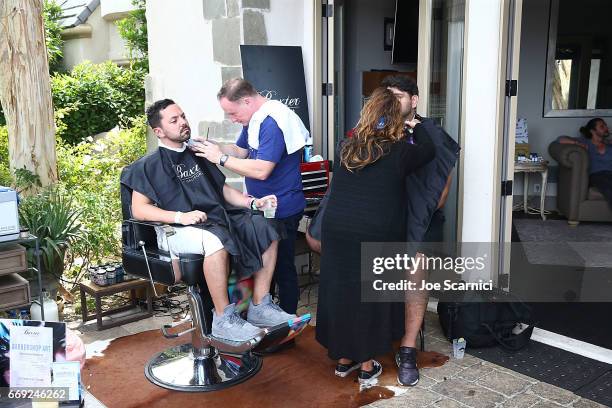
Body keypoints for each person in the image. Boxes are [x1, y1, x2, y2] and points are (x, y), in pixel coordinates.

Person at [120, 99, 296, 343]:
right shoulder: (147, 166)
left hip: (213, 219)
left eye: (182, 116)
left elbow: (221, 189)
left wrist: (253, 203)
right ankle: (223, 318)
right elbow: (139, 210)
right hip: (175, 229)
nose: (183, 122)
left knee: (267, 227)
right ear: (158, 131)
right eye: (174, 120)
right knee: (215, 240)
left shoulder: (199, 154)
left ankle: (260, 304)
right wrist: (181, 216)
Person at [315, 88, 435, 386]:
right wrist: (415, 126)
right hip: (374, 230)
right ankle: (367, 366)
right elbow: (430, 149)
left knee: (342, 291)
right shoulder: (400, 151)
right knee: (369, 296)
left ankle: (343, 360)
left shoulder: (347, 146)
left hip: (337, 228)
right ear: (396, 118)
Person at [192, 78, 308, 316]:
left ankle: (283, 325)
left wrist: (220, 159)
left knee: (281, 269)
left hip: (282, 206)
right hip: (260, 205)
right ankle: (262, 314)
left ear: (247, 101)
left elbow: (262, 170)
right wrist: (216, 146)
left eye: (232, 113)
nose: (232, 119)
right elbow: (241, 151)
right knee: (263, 266)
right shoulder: (255, 119)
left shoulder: (271, 122)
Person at [558, 118, 612, 206]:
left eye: (606, 125)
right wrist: (577, 144)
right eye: (602, 126)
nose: (606, 128)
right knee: (608, 188)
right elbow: (560, 139)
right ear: (592, 131)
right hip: (596, 175)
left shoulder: (609, 145)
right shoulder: (585, 142)